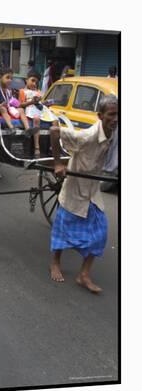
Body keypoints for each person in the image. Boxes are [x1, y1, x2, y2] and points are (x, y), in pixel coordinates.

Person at [48, 95, 118, 294]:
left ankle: (84, 275)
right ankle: (55, 262)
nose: (116, 119)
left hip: (92, 189)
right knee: (63, 230)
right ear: (100, 115)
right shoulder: (87, 136)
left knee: (101, 232)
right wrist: (58, 163)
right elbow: (54, 131)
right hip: (75, 188)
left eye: (118, 115)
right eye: (111, 115)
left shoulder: (114, 131)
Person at [0, 67, 38, 135]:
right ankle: (11, 128)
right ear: (0, 77)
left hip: (7, 109)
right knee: (3, 109)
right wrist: (0, 105)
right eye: (7, 77)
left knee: (21, 110)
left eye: (11, 78)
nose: (10, 80)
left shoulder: (8, 91)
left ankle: (28, 129)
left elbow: (17, 104)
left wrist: (31, 102)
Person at [19, 71, 59, 157]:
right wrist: (32, 102)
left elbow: (41, 103)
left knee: (55, 120)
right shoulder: (22, 91)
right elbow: (21, 104)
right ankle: (37, 148)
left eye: (36, 82)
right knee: (36, 118)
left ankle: (53, 147)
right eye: (32, 80)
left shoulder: (39, 92)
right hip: (31, 108)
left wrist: (47, 103)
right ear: (26, 80)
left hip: (41, 109)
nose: (34, 84)